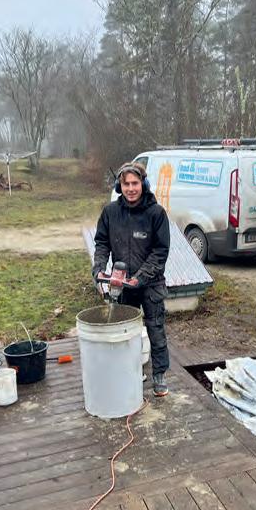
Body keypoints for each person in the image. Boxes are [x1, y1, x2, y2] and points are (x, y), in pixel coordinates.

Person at [92, 162, 170, 396]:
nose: (131, 188)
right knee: (126, 332)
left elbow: (160, 252)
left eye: (135, 183)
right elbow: (102, 243)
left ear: (143, 184)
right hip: (123, 284)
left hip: (151, 283)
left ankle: (159, 375)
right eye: (126, 184)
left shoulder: (156, 214)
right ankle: (131, 371)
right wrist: (99, 269)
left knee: (156, 329)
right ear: (120, 186)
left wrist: (140, 277)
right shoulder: (110, 212)